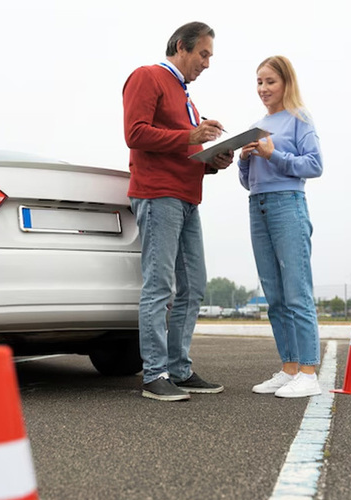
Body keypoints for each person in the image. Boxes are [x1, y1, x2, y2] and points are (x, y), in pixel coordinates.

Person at [123, 22, 234, 402]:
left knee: (194, 286)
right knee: (159, 287)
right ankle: (155, 374)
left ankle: (179, 369)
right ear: (181, 47)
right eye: (203, 54)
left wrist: (212, 160)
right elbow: (135, 134)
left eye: (209, 56)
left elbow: (182, 150)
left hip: (187, 198)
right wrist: (191, 135)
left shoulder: (187, 99)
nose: (206, 63)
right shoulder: (148, 77)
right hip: (158, 196)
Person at [238, 55, 324, 398]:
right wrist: (244, 160)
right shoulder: (257, 124)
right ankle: (289, 368)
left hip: (288, 205)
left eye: (270, 81)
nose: (263, 89)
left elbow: (315, 165)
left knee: (296, 292)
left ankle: (308, 371)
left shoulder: (300, 119)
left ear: (286, 83)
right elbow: (249, 183)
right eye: (259, 82)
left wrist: (274, 154)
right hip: (257, 206)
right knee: (274, 295)